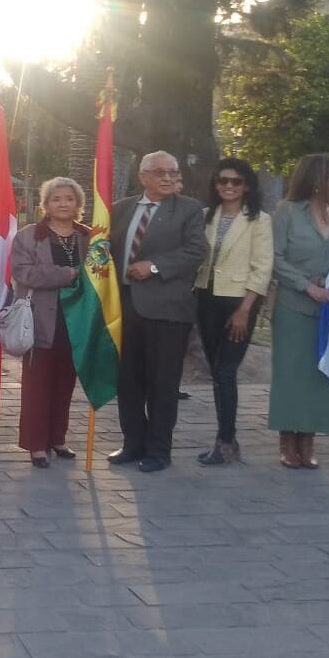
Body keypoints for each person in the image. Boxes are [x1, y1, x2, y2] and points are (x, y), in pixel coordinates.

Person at [106, 151, 208, 473]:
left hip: (167, 310)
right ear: (143, 176)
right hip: (123, 307)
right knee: (129, 380)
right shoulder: (120, 209)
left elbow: (196, 251)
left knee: (162, 383)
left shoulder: (189, 210)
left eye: (172, 172)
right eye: (160, 172)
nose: (167, 178)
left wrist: (152, 266)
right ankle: (132, 442)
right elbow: (103, 248)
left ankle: (158, 450)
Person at [268, 154, 329, 470]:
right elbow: (275, 257)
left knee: (320, 375)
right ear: (317, 179)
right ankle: (288, 440)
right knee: (291, 375)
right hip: (293, 304)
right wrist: (306, 285)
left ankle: (308, 440)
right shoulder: (287, 213)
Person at [193, 158, 273, 466]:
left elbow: (262, 267)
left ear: (247, 186)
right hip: (207, 298)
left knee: (226, 371)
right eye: (222, 181)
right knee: (217, 373)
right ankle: (226, 439)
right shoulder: (205, 216)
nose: (228, 186)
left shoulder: (259, 220)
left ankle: (226, 441)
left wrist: (244, 310)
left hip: (239, 302)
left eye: (235, 182)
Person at [11, 178, 90, 468]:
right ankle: (36, 445)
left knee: (65, 383)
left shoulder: (88, 236)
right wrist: (66, 275)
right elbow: (24, 273)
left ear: (78, 204)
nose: (63, 203)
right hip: (41, 319)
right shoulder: (30, 236)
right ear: (46, 204)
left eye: (69, 198)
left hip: (77, 320)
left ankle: (57, 438)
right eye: (56, 199)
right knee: (37, 385)